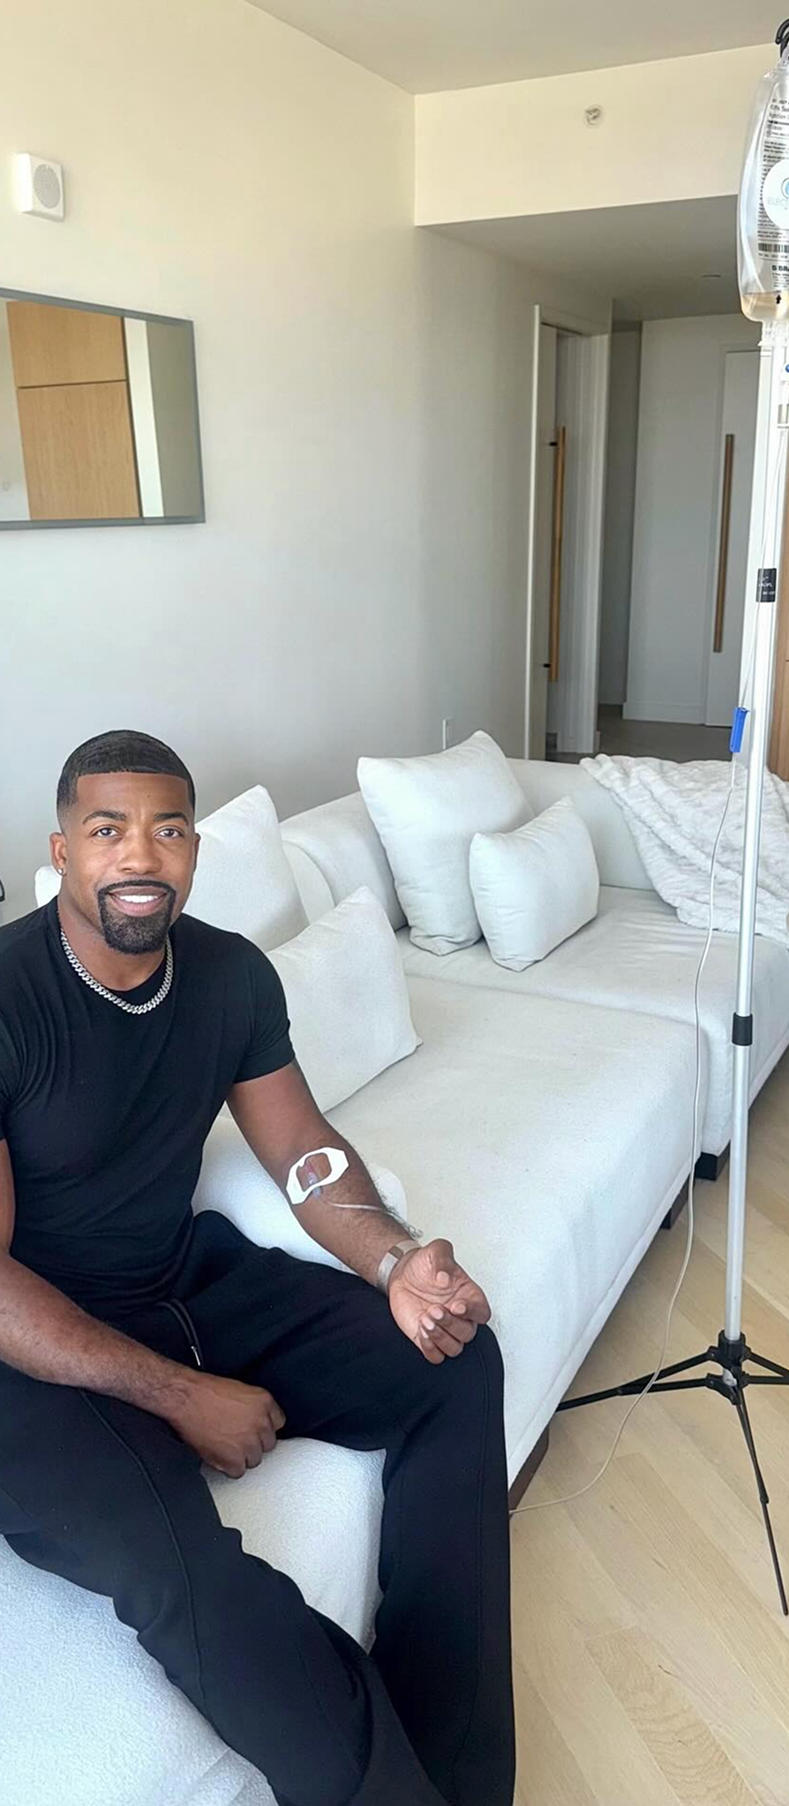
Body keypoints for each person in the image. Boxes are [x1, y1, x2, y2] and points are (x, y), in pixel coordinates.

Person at [0, 729, 515, 1806]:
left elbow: (304, 1155)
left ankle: (461, 1773)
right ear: (62, 850)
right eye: (108, 829)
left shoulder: (229, 975)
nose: (141, 853)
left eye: (169, 827)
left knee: (452, 1362)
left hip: (183, 1278)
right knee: (175, 1568)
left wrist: (395, 1262)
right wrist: (184, 1397)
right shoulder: (8, 996)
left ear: (193, 849)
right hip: (35, 1354)